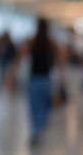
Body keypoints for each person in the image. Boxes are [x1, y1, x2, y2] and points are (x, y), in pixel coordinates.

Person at [7, 17, 64, 147]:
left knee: (34, 107)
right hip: (46, 80)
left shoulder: (32, 42)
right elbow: (60, 62)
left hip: (34, 80)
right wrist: (62, 77)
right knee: (45, 107)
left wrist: (11, 76)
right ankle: (39, 129)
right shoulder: (51, 43)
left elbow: (19, 59)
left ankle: (36, 130)